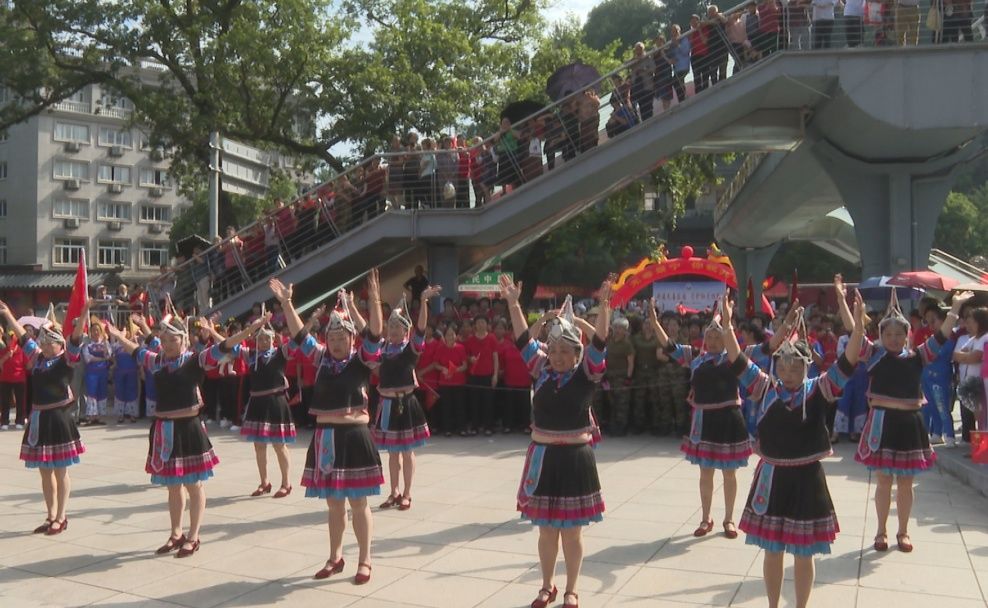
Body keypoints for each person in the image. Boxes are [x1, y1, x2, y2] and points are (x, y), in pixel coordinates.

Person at [725, 291, 864, 608]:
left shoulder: (819, 389)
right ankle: (773, 605)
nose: (788, 373)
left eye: (795, 368)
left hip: (806, 479)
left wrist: (856, 329)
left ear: (806, 368)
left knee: (804, 552)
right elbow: (736, 360)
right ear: (777, 366)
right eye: (784, 367)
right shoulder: (765, 387)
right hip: (772, 477)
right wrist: (727, 324)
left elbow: (848, 361)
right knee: (773, 550)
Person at [499, 275, 612, 608]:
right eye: (555, 349)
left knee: (572, 532)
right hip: (543, 458)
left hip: (576, 460)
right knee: (546, 530)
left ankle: (572, 589)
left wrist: (603, 309)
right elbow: (522, 339)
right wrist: (513, 303)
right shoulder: (542, 370)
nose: (559, 356)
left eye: (566, 350)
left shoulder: (587, 372)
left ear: (577, 351)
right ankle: (546, 585)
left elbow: (601, 342)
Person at [837, 285, 972, 553]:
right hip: (881, 422)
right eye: (889, 334)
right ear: (882, 335)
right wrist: (843, 301)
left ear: (907, 335)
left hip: (909, 424)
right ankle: (881, 530)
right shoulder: (873, 355)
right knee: (884, 480)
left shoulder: (918, 356)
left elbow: (943, 336)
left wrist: (955, 308)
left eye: (900, 334)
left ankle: (903, 531)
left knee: (906, 482)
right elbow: (855, 332)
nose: (895, 338)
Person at [270, 272, 385, 585]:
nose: (335, 342)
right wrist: (287, 303)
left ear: (351, 338)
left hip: (356, 437)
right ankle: (335, 556)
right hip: (326, 439)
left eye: (341, 337)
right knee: (334, 503)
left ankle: (365, 559)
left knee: (359, 503)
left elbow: (375, 334)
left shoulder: (362, 360)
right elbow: (298, 335)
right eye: (331, 337)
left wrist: (374, 301)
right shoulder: (320, 358)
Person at [646, 298, 781, 539]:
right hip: (704, 422)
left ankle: (728, 519)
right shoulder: (696, 356)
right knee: (705, 473)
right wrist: (655, 322)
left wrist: (788, 323)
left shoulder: (736, 355)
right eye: (710, 336)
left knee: (729, 473)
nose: (714, 340)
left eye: (718, 336)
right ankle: (705, 518)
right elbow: (668, 345)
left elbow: (769, 346)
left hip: (729, 421)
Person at [107, 314, 224, 558]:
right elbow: (137, 350)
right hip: (164, 428)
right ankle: (175, 533)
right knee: (172, 486)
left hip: (189, 428)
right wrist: (118, 337)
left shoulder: (194, 361)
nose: (168, 344)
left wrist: (250, 329)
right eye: (164, 340)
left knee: (193, 484)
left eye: (173, 340)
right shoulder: (157, 361)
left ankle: (194, 536)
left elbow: (225, 347)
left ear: (183, 340)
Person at [2, 298, 88, 536]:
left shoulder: (66, 360)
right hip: (39, 419)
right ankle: (50, 515)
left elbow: (76, 338)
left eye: (51, 342)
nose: (46, 345)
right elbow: (23, 338)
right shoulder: (38, 358)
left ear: (60, 345)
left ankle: (62, 516)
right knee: (44, 471)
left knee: (61, 471)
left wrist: (84, 313)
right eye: (44, 341)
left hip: (59, 419)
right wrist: (8, 315)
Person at [206, 311, 299, 498]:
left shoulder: (281, 353)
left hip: (275, 403)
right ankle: (264, 482)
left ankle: (286, 483)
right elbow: (228, 345)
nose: (264, 341)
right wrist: (211, 331)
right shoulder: (251, 355)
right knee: (259, 445)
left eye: (267, 338)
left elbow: (299, 338)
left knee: (279, 445)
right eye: (261, 338)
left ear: (274, 339)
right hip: (257, 403)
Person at [373, 284, 441, 511]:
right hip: (387, 405)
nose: (392, 330)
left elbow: (421, 329)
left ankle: (407, 493)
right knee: (392, 454)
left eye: (397, 327)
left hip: (406, 404)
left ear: (405, 331)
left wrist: (422, 302)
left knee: (407, 451)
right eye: (390, 325)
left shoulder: (410, 349)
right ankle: (393, 491)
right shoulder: (381, 349)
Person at [80, 320, 111, 426]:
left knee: (102, 392)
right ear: (90, 332)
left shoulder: (105, 343)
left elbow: (108, 356)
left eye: (98, 330)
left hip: (103, 372)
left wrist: (106, 343)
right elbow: (88, 358)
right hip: (91, 373)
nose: (96, 332)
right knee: (92, 393)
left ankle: (99, 417)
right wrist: (101, 359)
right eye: (93, 330)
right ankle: (91, 417)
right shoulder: (87, 345)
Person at [0, 329, 29, 429]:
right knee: (5, 401)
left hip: (19, 379)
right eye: (7, 339)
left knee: (20, 401)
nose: (9, 341)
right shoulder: (3, 351)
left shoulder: (22, 352)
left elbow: (28, 365)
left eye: (11, 339)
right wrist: (7, 355)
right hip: (5, 379)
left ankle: (20, 420)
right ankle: (4, 421)